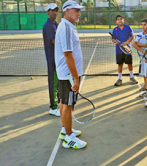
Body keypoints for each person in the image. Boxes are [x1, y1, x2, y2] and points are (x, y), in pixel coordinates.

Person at [55, 0, 87, 149]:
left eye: (79, 10)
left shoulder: (67, 26)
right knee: (67, 105)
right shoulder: (66, 28)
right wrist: (75, 78)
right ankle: (69, 138)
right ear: (67, 10)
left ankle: (65, 129)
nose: (79, 13)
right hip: (68, 75)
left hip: (65, 74)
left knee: (63, 103)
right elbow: (68, 54)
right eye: (76, 10)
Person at [42, 3, 60, 117]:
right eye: (52, 10)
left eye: (56, 10)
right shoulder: (48, 25)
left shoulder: (56, 24)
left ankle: (57, 103)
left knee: (57, 82)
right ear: (48, 12)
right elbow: (54, 40)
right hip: (51, 59)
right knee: (53, 83)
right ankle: (52, 107)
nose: (55, 12)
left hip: (57, 58)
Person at [111, 14, 138, 86]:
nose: (120, 20)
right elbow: (113, 39)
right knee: (120, 64)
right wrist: (117, 42)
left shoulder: (128, 27)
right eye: (118, 19)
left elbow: (132, 37)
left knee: (129, 63)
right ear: (116, 21)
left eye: (121, 19)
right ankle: (120, 79)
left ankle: (131, 77)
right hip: (119, 50)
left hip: (127, 49)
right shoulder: (115, 29)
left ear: (123, 20)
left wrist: (126, 43)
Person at [132, 18, 147, 98]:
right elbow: (134, 44)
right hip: (141, 57)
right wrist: (141, 50)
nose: (143, 27)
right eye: (142, 25)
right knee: (144, 74)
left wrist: (140, 45)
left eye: (145, 25)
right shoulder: (139, 34)